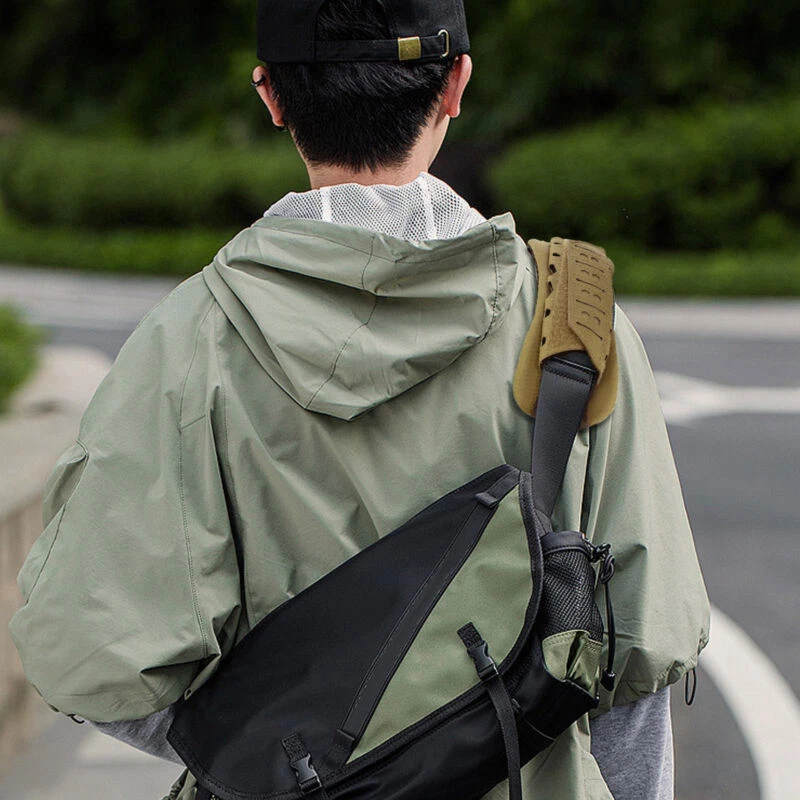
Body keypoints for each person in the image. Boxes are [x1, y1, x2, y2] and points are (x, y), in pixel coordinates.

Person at [9, 1, 710, 798]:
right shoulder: (572, 327)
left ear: (271, 96)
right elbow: (634, 668)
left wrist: (296, 754)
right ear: (457, 84)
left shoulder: (191, 341)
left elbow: (97, 659)